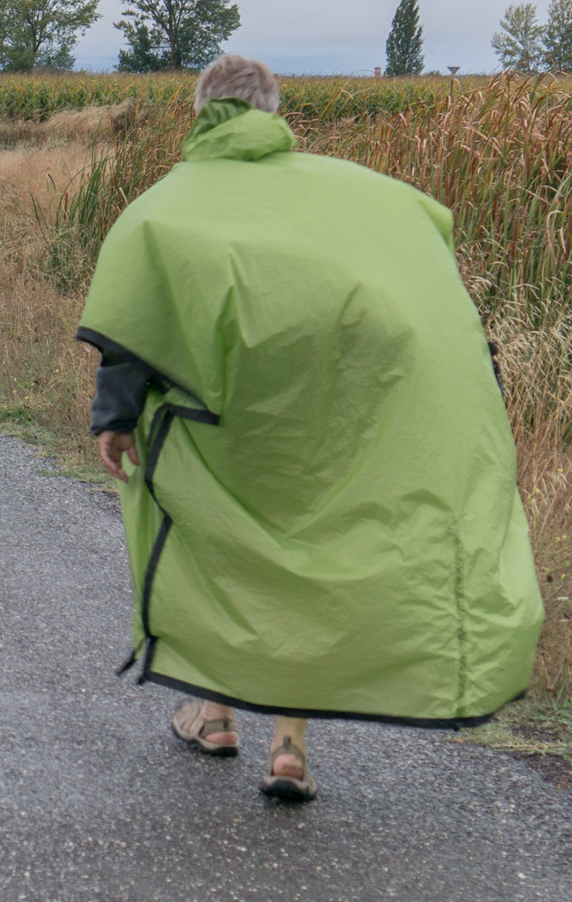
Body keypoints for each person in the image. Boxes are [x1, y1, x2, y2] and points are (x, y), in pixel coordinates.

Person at [78, 54, 542, 802]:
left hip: (222, 422)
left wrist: (115, 417)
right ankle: (288, 748)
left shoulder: (171, 205)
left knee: (221, 552)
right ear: (273, 109)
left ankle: (214, 713)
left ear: (201, 111)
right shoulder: (369, 198)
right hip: (331, 425)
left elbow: (138, 323)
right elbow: (429, 309)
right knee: (305, 562)